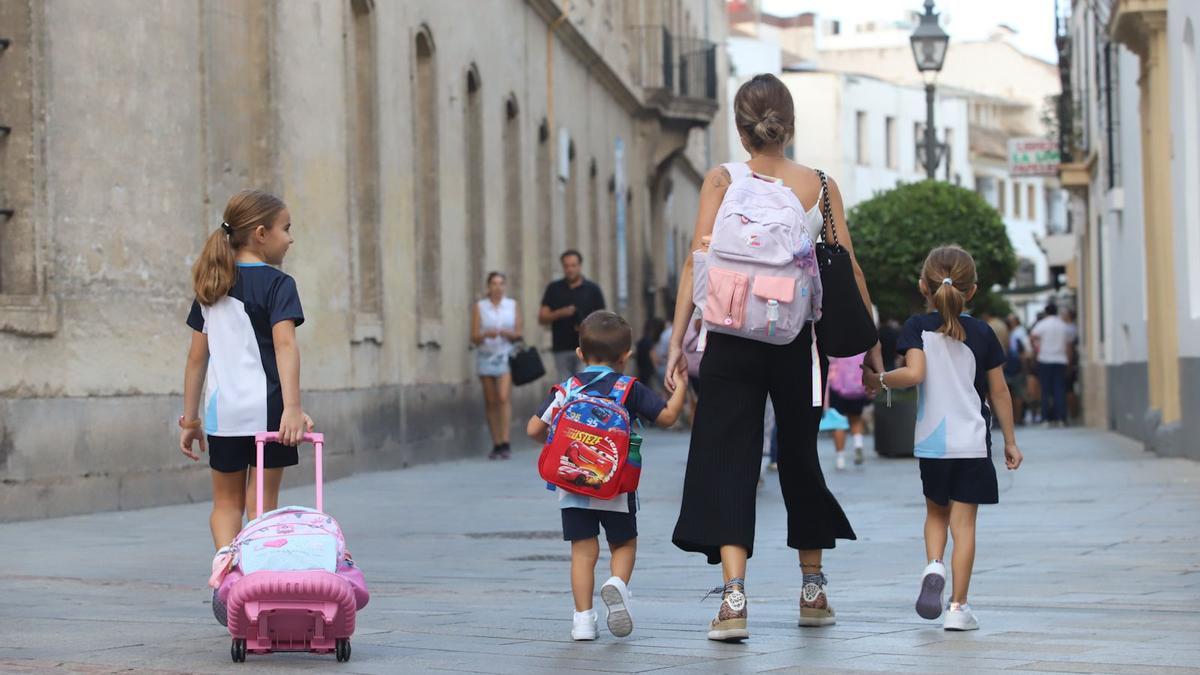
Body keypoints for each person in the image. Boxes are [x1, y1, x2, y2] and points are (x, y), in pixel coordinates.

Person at [664, 73, 873, 641]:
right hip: (795, 343)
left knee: (731, 458)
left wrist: (678, 343)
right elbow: (848, 272)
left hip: (730, 338)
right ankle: (812, 588)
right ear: (790, 125)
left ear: (738, 127)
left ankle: (734, 601)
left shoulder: (720, 180)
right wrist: (872, 348)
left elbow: (695, 264)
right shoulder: (821, 187)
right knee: (801, 458)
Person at [862, 245, 1023, 632]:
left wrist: (879, 380)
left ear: (923, 285)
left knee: (936, 511)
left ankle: (933, 564)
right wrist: (1011, 441)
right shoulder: (983, 332)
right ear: (973, 290)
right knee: (964, 526)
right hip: (971, 441)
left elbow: (914, 374)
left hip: (933, 443)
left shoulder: (916, 326)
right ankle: (957, 608)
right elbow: (999, 392)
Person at [178, 189, 314, 624]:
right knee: (262, 505)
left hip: (222, 416)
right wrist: (292, 407)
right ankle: (256, 581)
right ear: (260, 234)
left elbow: (196, 358)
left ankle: (225, 560)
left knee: (225, 505)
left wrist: (190, 419)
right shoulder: (279, 284)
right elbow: (286, 345)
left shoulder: (212, 284)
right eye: (286, 228)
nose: (290, 239)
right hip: (268, 414)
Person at [527, 311, 688, 641]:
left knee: (583, 552)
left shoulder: (566, 389)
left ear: (580, 354)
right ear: (625, 356)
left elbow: (533, 429)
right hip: (615, 485)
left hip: (572, 485)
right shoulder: (629, 388)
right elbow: (668, 417)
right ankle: (617, 585)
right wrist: (681, 386)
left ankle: (583, 621)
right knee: (624, 543)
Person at [471, 271, 522, 460]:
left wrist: (509, 334)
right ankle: (497, 443)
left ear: (505, 286)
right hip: (486, 355)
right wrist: (486, 334)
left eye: (501, 283)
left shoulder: (512, 305)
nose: (497, 287)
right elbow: (474, 336)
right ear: (488, 286)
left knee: (502, 397)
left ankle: (506, 440)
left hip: (505, 355)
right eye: (494, 283)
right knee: (491, 400)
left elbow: (518, 332)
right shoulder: (480, 307)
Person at [540, 250, 606, 380]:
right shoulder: (554, 288)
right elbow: (542, 317)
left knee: (583, 385)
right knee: (566, 387)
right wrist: (560, 313)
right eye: (566, 266)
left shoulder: (592, 289)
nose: (570, 269)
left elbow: (603, 319)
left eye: (573, 265)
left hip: (586, 348)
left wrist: (585, 326)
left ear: (580, 266)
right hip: (561, 347)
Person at [1030, 303, 1075, 427]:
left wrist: (1036, 349)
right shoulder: (1063, 325)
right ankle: (1061, 418)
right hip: (1060, 360)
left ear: (1046, 312)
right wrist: (1069, 362)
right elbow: (1069, 345)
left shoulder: (1042, 324)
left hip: (1045, 359)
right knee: (1059, 390)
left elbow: (1032, 336)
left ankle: (1045, 419)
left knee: (1045, 390)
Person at [827, 353, 871, 469]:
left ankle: (840, 458)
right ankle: (858, 444)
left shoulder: (834, 340)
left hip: (837, 387)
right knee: (856, 418)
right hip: (857, 388)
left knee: (838, 422)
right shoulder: (860, 341)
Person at [1004, 314, 1030, 425]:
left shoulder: (1017, 334)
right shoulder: (1016, 333)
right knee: (1016, 393)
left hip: (1013, 367)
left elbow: (1024, 351)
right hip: (1015, 367)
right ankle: (1016, 418)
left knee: (1014, 394)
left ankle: (1016, 418)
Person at [635, 318, 666, 387]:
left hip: (642, 373)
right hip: (650, 375)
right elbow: (655, 360)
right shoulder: (649, 342)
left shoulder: (641, 341)